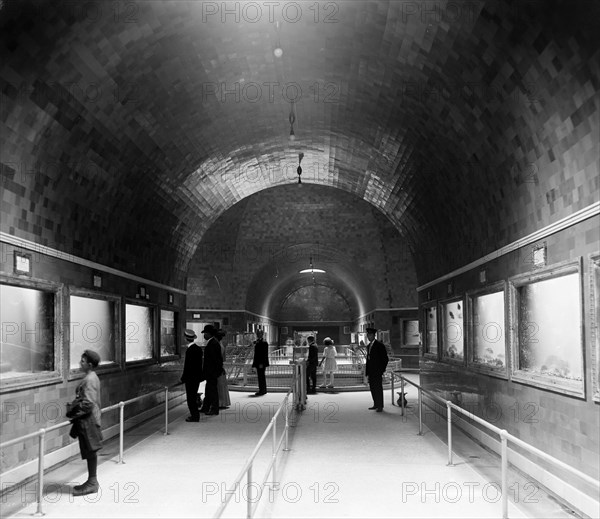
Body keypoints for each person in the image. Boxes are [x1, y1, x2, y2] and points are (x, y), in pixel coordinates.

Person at [66, 349, 103, 496]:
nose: (80, 363)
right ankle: (91, 481)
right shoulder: (91, 377)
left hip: (89, 421)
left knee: (90, 450)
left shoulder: (90, 379)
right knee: (89, 450)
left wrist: (74, 413)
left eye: (82, 361)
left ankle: (92, 483)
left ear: (89, 364)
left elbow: (88, 403)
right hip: (89, 420)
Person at [180, 329, 204, 422]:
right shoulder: (198, 349)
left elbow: (187, 366)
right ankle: (195, 415)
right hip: (197, 378)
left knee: (190, 398)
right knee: (193, 396)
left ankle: (194, 416)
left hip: (190, 378)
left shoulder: (190, 350)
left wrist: (183, 378)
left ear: (185, 338)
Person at [199, 325, 223, 415]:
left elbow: (213, 361)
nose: (204, 335)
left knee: (212, 391)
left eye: (205, 333)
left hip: (211, 372)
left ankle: (214, 409)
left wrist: (209, 372)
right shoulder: (213, 342)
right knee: (209, 390)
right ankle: (206, 407)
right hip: (212, 372)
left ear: (209, 334)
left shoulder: (212, 344)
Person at [365, 327, 388, 412]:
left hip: (377, 371)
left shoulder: (379, 345)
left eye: (370, 335)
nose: (368, 336)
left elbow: (385, 359)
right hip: (371, 371)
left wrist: (382, 370)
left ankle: (380, 405)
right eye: (367, 335)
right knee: (373, 388)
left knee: (378, 388)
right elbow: (368, 359)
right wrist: (367, 371)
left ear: (374, 335)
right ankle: (375, 403)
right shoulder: (369, 346)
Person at [252, 329, 269, 396]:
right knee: (260, 376)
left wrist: (262, 363)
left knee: (261, 377)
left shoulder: (264, 342)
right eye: (257, 333)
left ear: (262, 334)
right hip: (258, 362)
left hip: (261, 363)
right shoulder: (258, 341)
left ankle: (262, 390)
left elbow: (264, 354)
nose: (258, 335)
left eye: (259, 333)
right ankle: (262, 390)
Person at [216, 329, 231, 409]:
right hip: (221, 366)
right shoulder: (222, 344)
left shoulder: (218, 344)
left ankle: (220, 402)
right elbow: (223, 358)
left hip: (218, 367)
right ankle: (223, 402)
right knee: (222, 385)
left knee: (219, 385)